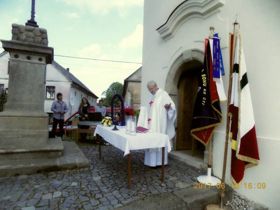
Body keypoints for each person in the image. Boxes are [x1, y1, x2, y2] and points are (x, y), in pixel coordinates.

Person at [144, 80, 177, 167]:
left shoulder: (163, 94)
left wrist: (169, 108)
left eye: (151, 89)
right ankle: (151, 162)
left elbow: (172, 106)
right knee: (151, 141)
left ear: (155, 86)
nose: (150, 91)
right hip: (151, 125)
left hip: (160, 125)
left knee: (159, 140)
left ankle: (160, 162)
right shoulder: (153, 96)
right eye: (149, 89)